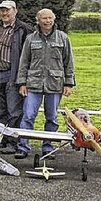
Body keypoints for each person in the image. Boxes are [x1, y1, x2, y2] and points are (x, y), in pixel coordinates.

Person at [14, 8, 75, 159]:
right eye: (44, 18)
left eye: (50, 18)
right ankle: (23, 147)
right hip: (33, 84)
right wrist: (22, 83)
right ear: (38, 21)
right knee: (28, 116)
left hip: (55, 84)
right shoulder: (30, 39)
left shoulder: (63, 38)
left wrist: (68, 83)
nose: (47, 21)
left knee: (52, 117)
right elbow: (24, 62)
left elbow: (69, 62)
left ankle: (48, 147)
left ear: (54, 19)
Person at [0, 0, 33, 154]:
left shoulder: (23, 29)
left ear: (15, 11)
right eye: (2, 10)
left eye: (7, 10)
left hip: (12, 74)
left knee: (14, 110)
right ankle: (3, 139)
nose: (4, 13)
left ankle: (13, 141)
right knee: (0, 110)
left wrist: (22, 79)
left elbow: (28, 56)